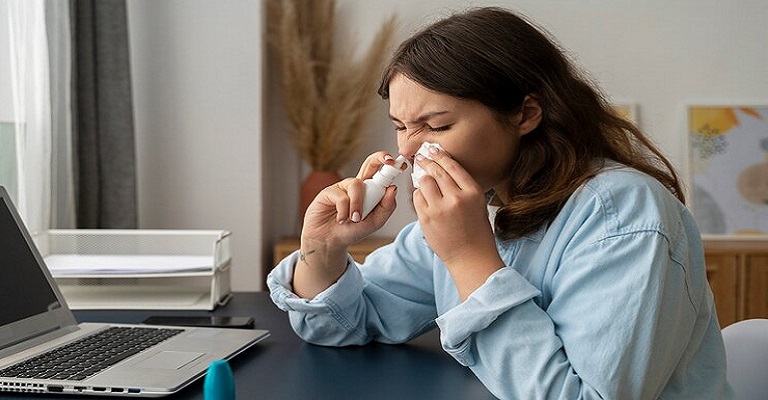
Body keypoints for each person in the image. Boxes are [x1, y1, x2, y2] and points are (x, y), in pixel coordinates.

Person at [268, 6, 734, 399]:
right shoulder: (482, 204)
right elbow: (344, 325)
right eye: (400, 125)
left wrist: (470, 257)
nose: (408, 151)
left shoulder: (624, 215)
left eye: (436, 125)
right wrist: (322, 249)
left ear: (526, 114)